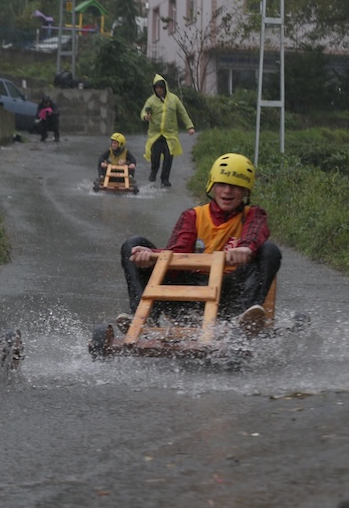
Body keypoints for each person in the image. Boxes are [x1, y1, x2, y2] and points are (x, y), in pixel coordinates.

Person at [118, 153, 281, 337]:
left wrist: (245, 248)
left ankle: (246, 321)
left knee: (270, 250)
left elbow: (255, 232)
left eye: (235, 186)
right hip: (190, 292)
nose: (227, 191)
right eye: (221, 185)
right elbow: (177, 253)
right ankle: (143, 317)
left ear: (245, 191)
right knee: (132, 244)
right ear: (212, 185)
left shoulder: (253, 215)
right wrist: (150, 256)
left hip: (230, 295)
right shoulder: (193, 216)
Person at [140, 74, 195, 187]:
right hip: (155, 134)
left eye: (160, 87)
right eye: (156, 88)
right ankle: (154, 171)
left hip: (170, 134)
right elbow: (144, 112)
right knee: (154, 155)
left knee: (168, 157)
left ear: (165, 87)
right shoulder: (151, 101)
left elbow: (182, 113)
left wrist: (189, 126)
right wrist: (145, 116)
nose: (159, 90)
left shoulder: (174, 99)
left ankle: (165, 179)